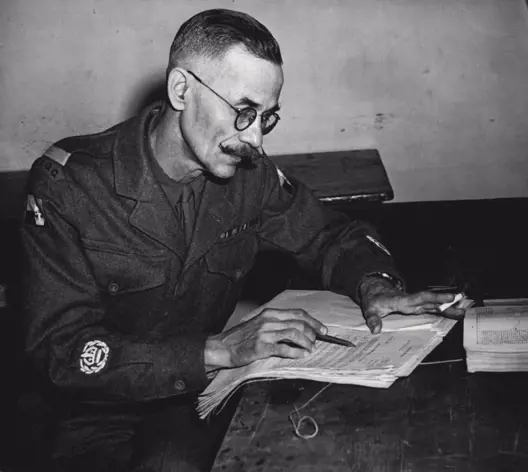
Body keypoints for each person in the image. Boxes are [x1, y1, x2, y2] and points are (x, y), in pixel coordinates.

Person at [20, 8, 461, 472]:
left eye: (266, 118)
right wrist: (218, 349)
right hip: (92, 415)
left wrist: (374, 284)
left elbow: (329, 234)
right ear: (181, 90)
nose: (255, 139)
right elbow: (62, 350)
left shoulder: (249, 176)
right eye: (243, 112)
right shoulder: (72, 186)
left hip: (198, 398)